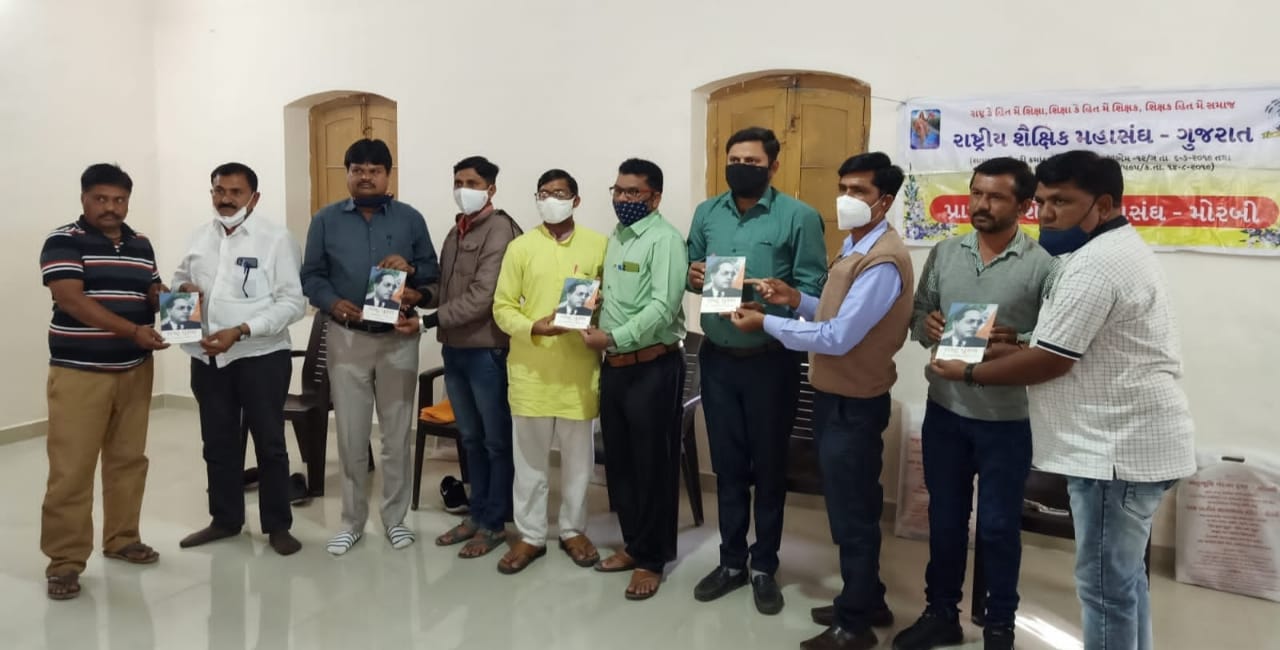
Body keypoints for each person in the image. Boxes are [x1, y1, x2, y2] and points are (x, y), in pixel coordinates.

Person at [930, 150, 1196, 650]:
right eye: (1044, 202)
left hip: (1113, 453)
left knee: (1104, 591)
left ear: (1104, 204)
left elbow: (1052, 361)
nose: (1047, 214)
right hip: (1127, 445)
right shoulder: (1111, 251)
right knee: (1124, 585)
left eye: (1062, 202)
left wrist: (968, 370)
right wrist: (1014, 344)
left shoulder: (1093, 265)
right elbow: (1064, 345)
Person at [732, 151, 913, 650]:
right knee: (851, 507)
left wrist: (767, 322)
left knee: (853, 516)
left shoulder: (883, 259)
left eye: (859, 191)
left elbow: (837, 337)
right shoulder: (856, 245)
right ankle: (867, 599)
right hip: (838, 397)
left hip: (854, 403)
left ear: (884, 201)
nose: (846, 199)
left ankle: (854, 626)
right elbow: (833, 314)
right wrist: (795, 300)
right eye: (843, 188)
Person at [894, 157, 1054, 650]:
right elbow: (919, 314)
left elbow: (1056, 341)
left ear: (1023, 206)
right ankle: (940, 613)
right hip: (945, 411)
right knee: (945, 521)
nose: (981, 204)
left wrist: (1019, 340)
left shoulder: (1044, 265)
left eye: (995, 196)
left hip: (1006, 421)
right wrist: (928, 326)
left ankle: (1000, 624)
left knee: (999, 527)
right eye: (976, 193)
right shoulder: (946, 252)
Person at [686, 126, 827, 615]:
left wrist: (774, 304)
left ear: (773, 166)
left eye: (752, 161)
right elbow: (691, 269)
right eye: (735, 160)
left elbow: (813, 290)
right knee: (727, 467)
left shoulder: (799, 217)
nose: (741, 167)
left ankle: (764, 564)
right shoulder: (707, 212)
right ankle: (731, 562)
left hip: (772, 362)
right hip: (718, 359)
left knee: (768, 468)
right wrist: (694, 274)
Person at [300, 138, 439, 556]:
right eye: (357, 169)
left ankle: (395, 520)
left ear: (387, 175)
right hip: (347, 338)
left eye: (374, 170)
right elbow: (311, 275)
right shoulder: (325, 220)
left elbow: (432, 275)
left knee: (395, 437)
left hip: (398, 339)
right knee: (351, 436)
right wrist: (331, 302)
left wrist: (411, 275)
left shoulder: (410, 219)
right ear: (347, 174)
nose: (365, 176)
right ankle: (351, 522)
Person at [39, 163, 168, 600]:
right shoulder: (63, 240)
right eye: (101, 199)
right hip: (80, 372)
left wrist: (173, 298)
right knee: (71, 469)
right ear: (84, 198)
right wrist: (133, 331)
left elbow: (149, 292)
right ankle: (65, 561)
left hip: (134, 370)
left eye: (119, 200)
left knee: (129, 460)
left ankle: (122, 538)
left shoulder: (140, 243)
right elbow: (71, 300)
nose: (111, 208)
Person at [171, 162, 307, 556]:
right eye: (219, 191)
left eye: (235, 192)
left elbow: (293, 303)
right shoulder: (199, 237)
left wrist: (242, 330)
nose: (226, 199)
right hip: (208, 358)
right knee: (217, 442)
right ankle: (225, 519)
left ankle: (278, 526)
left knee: (269, 443)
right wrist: (184, 287)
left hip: (260, 356)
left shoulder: (276, 239)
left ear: (254, 197)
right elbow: (178, 280)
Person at [489, 169, 608, 574]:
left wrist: (600, 305)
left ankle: (573, 530)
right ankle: (531, 535)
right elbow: (502, 307)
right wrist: (534, 327)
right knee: (529, 463)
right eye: (543, 193)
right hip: (531, 369)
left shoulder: (598, 245)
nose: (550, 200)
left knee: (578, 463)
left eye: (559, 193)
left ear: (576, 200)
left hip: (578, 371)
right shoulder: (520, 247)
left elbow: (611, 303)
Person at [580, 158, 687, 601]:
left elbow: (664, 306)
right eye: (618, 191)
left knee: (653, 466)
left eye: (633, 192)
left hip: (652, 365)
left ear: (654, 198)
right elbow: (617, 298)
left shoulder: (666, 240)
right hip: (616, 366)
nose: (623, 199)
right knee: (621, 463)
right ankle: (633, 544)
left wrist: (613, 336)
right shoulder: (618, 237)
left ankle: (652, 560)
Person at [417, 155, 522, 559]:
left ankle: (495, 522)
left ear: (491, 189)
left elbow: (483, 297)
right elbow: (445, 290)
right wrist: (415, 297)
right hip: (456, 350)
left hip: (487, 352)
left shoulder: (501, 230)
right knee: (471, 438)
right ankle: (476, 515)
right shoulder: (455, 230)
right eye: (458, 182)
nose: (464, 190)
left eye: (472, 183)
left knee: (496, 441)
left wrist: (427, 321)